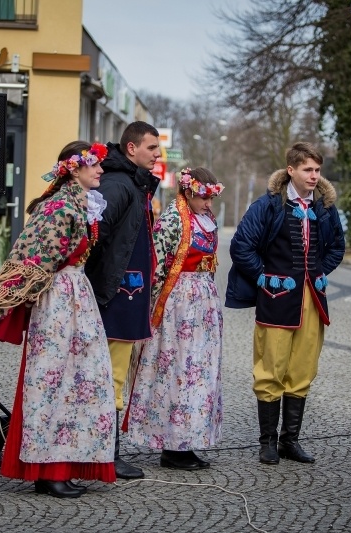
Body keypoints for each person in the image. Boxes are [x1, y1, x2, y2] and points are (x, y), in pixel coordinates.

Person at [0, 141, 116, 499]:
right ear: (73, 168)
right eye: (93, 164)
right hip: (57, 302)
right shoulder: (58, 207)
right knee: (52, 381)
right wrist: (0, 312)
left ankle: (65, 463)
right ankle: (47, 470)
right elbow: (33, 259)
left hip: (76, 299)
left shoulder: (80, 204)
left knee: (81, 380)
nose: (100, 170)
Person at [226, 141, 345, 465]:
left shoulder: (324, 207)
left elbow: (337, 246)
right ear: (291, 170)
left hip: (312, 300)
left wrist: (318, 270)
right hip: (276, 299)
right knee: (270, 369)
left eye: (317, 169)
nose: (314, 175)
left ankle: (290, 441)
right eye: (307, 169)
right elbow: (241, 246)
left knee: (303, 369)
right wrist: (263, 277)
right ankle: (267, 442)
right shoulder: (268, 205)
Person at [126, 167, 225, 470]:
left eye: (211, 198)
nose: (208, 204)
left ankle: (189, 440)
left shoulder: (205, 219)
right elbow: (155, 265)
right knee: (178, 371)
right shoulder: (172, 220)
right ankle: (172, 445)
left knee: (200, 372)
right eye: (204, 198)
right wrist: (149, 310)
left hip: (203, 304)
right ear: (188, 192)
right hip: (178, 306)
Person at [85, 121, 161, 479]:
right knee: (110, 375)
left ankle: (107, 452)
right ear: (132, 148)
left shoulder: (134, 183)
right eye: (151, 147)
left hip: (129, 294)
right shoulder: (118, 184)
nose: (158, 154)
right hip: (115, 296)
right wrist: (102, 285)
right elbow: (93, 236)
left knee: (115, 373)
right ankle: (107, 454)